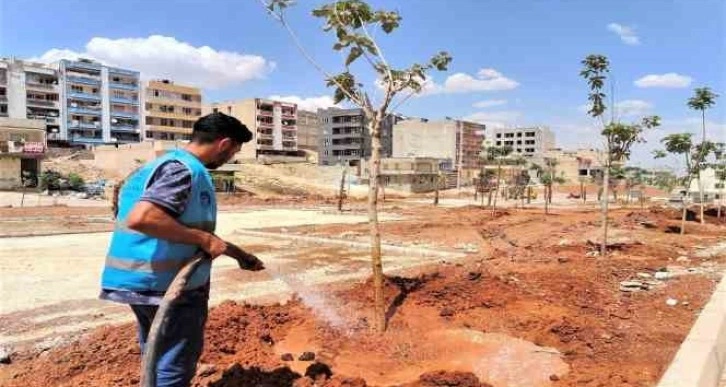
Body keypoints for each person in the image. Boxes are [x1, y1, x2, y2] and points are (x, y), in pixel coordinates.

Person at [100, 112, 262, 386]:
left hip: (142, 280)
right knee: (174, 365)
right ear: (224, 144)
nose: (230, 159)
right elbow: (144, 218)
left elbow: (198, 234)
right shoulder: (183, 170)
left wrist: (240, 256)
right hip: (168, 286)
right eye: (233, 151)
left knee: (156, 355)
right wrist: (202, 239)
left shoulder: (164, 164)